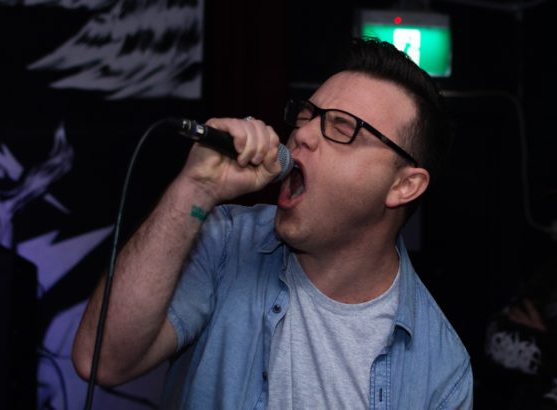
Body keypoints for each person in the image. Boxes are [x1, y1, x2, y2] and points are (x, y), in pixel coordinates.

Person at [72, 38, 473, 409]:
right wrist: (195, 189)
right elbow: (101, 359)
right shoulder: (226, 240)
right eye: (306, 115)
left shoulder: (442, 369)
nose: (302, 134)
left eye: (341, 127)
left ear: (404, 185)